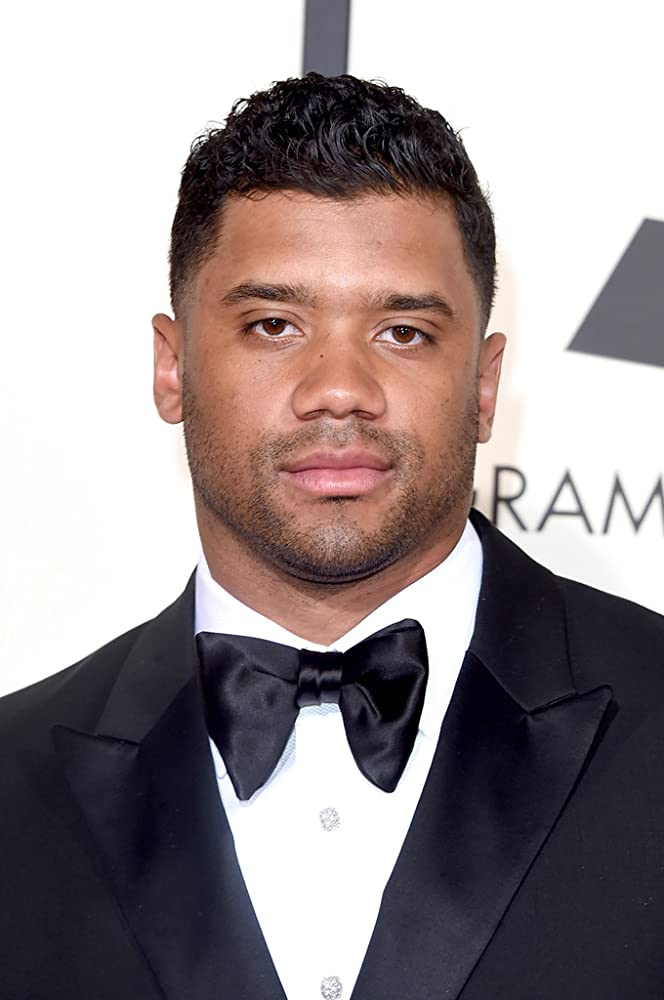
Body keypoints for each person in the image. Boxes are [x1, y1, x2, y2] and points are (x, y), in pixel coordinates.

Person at [1, 73, 663, 1000]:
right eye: (274, 325)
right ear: (172, 368)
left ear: (484, 386)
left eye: (403, 332)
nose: (339, 389)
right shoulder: (14, 779)